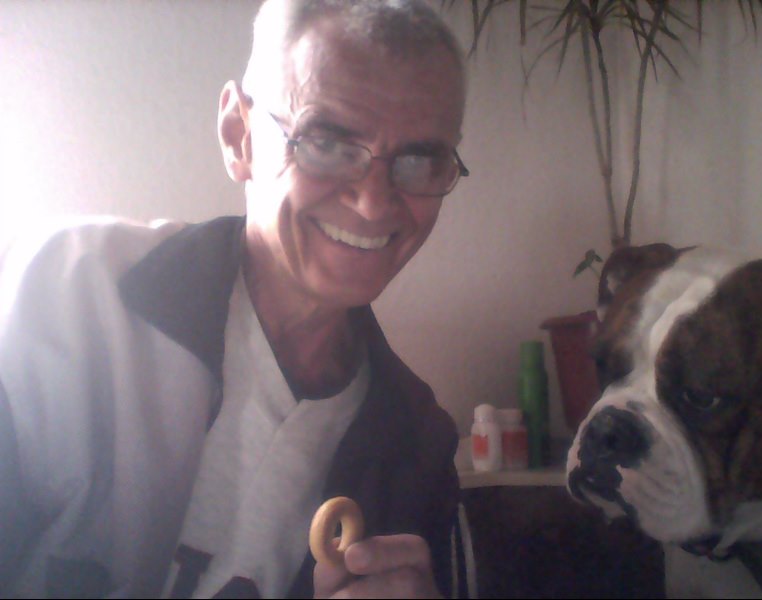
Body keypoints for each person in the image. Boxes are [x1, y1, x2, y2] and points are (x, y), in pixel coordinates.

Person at [0, 0, 470, 597]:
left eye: (419, 160)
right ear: (238, 135)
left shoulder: (417, 444)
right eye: (325, 142)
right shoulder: (66, 297)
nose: (374, 203)